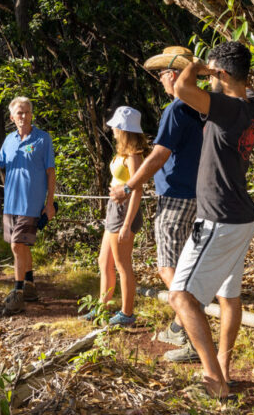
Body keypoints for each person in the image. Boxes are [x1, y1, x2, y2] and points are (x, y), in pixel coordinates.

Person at [166, 41, 254, 398]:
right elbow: (219, 89)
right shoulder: (253, 105)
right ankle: (222, 367)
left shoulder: (226, 108)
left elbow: (181, 89)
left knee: (181, 297)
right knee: (228, 295)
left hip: (219, 218)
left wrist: (197, 68)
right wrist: (216, 72)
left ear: (221, 74)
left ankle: (214, 383)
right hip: (241, 217)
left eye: (215, 74)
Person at [110, 46, 204, 360]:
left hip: (176, 196)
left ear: (175, 75)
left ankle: (194, 340)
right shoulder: (203, 108)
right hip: (199, 196)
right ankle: (180, 326)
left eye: (163, 73)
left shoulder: (177, 109)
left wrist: (129, 186)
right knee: (185, 267)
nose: (161, 78)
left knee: (169, 269)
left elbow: (159, 155)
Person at [0, 97, 56, 315]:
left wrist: (49, 204)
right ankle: (31, 285)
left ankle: (18, 292)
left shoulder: (43, 139)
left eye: (26, 112)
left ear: (31, 114)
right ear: (12, 117)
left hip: (31, 205)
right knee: (21, 247)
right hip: (10, 204)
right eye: (18, 113)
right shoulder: (9, 140)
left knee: (16, 246)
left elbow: (50, 172)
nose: (23, 116)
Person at [85, 106, 150, 326]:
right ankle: (102, 307)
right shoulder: (122, 152)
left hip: (124, 213)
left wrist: (127, 225)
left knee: (122, 264)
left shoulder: (133, 155)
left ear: (123, 128)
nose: (112, 128)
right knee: (104, 261)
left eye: (115, 126)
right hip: (114, 210)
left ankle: (127, 313)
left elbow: (138, 189)